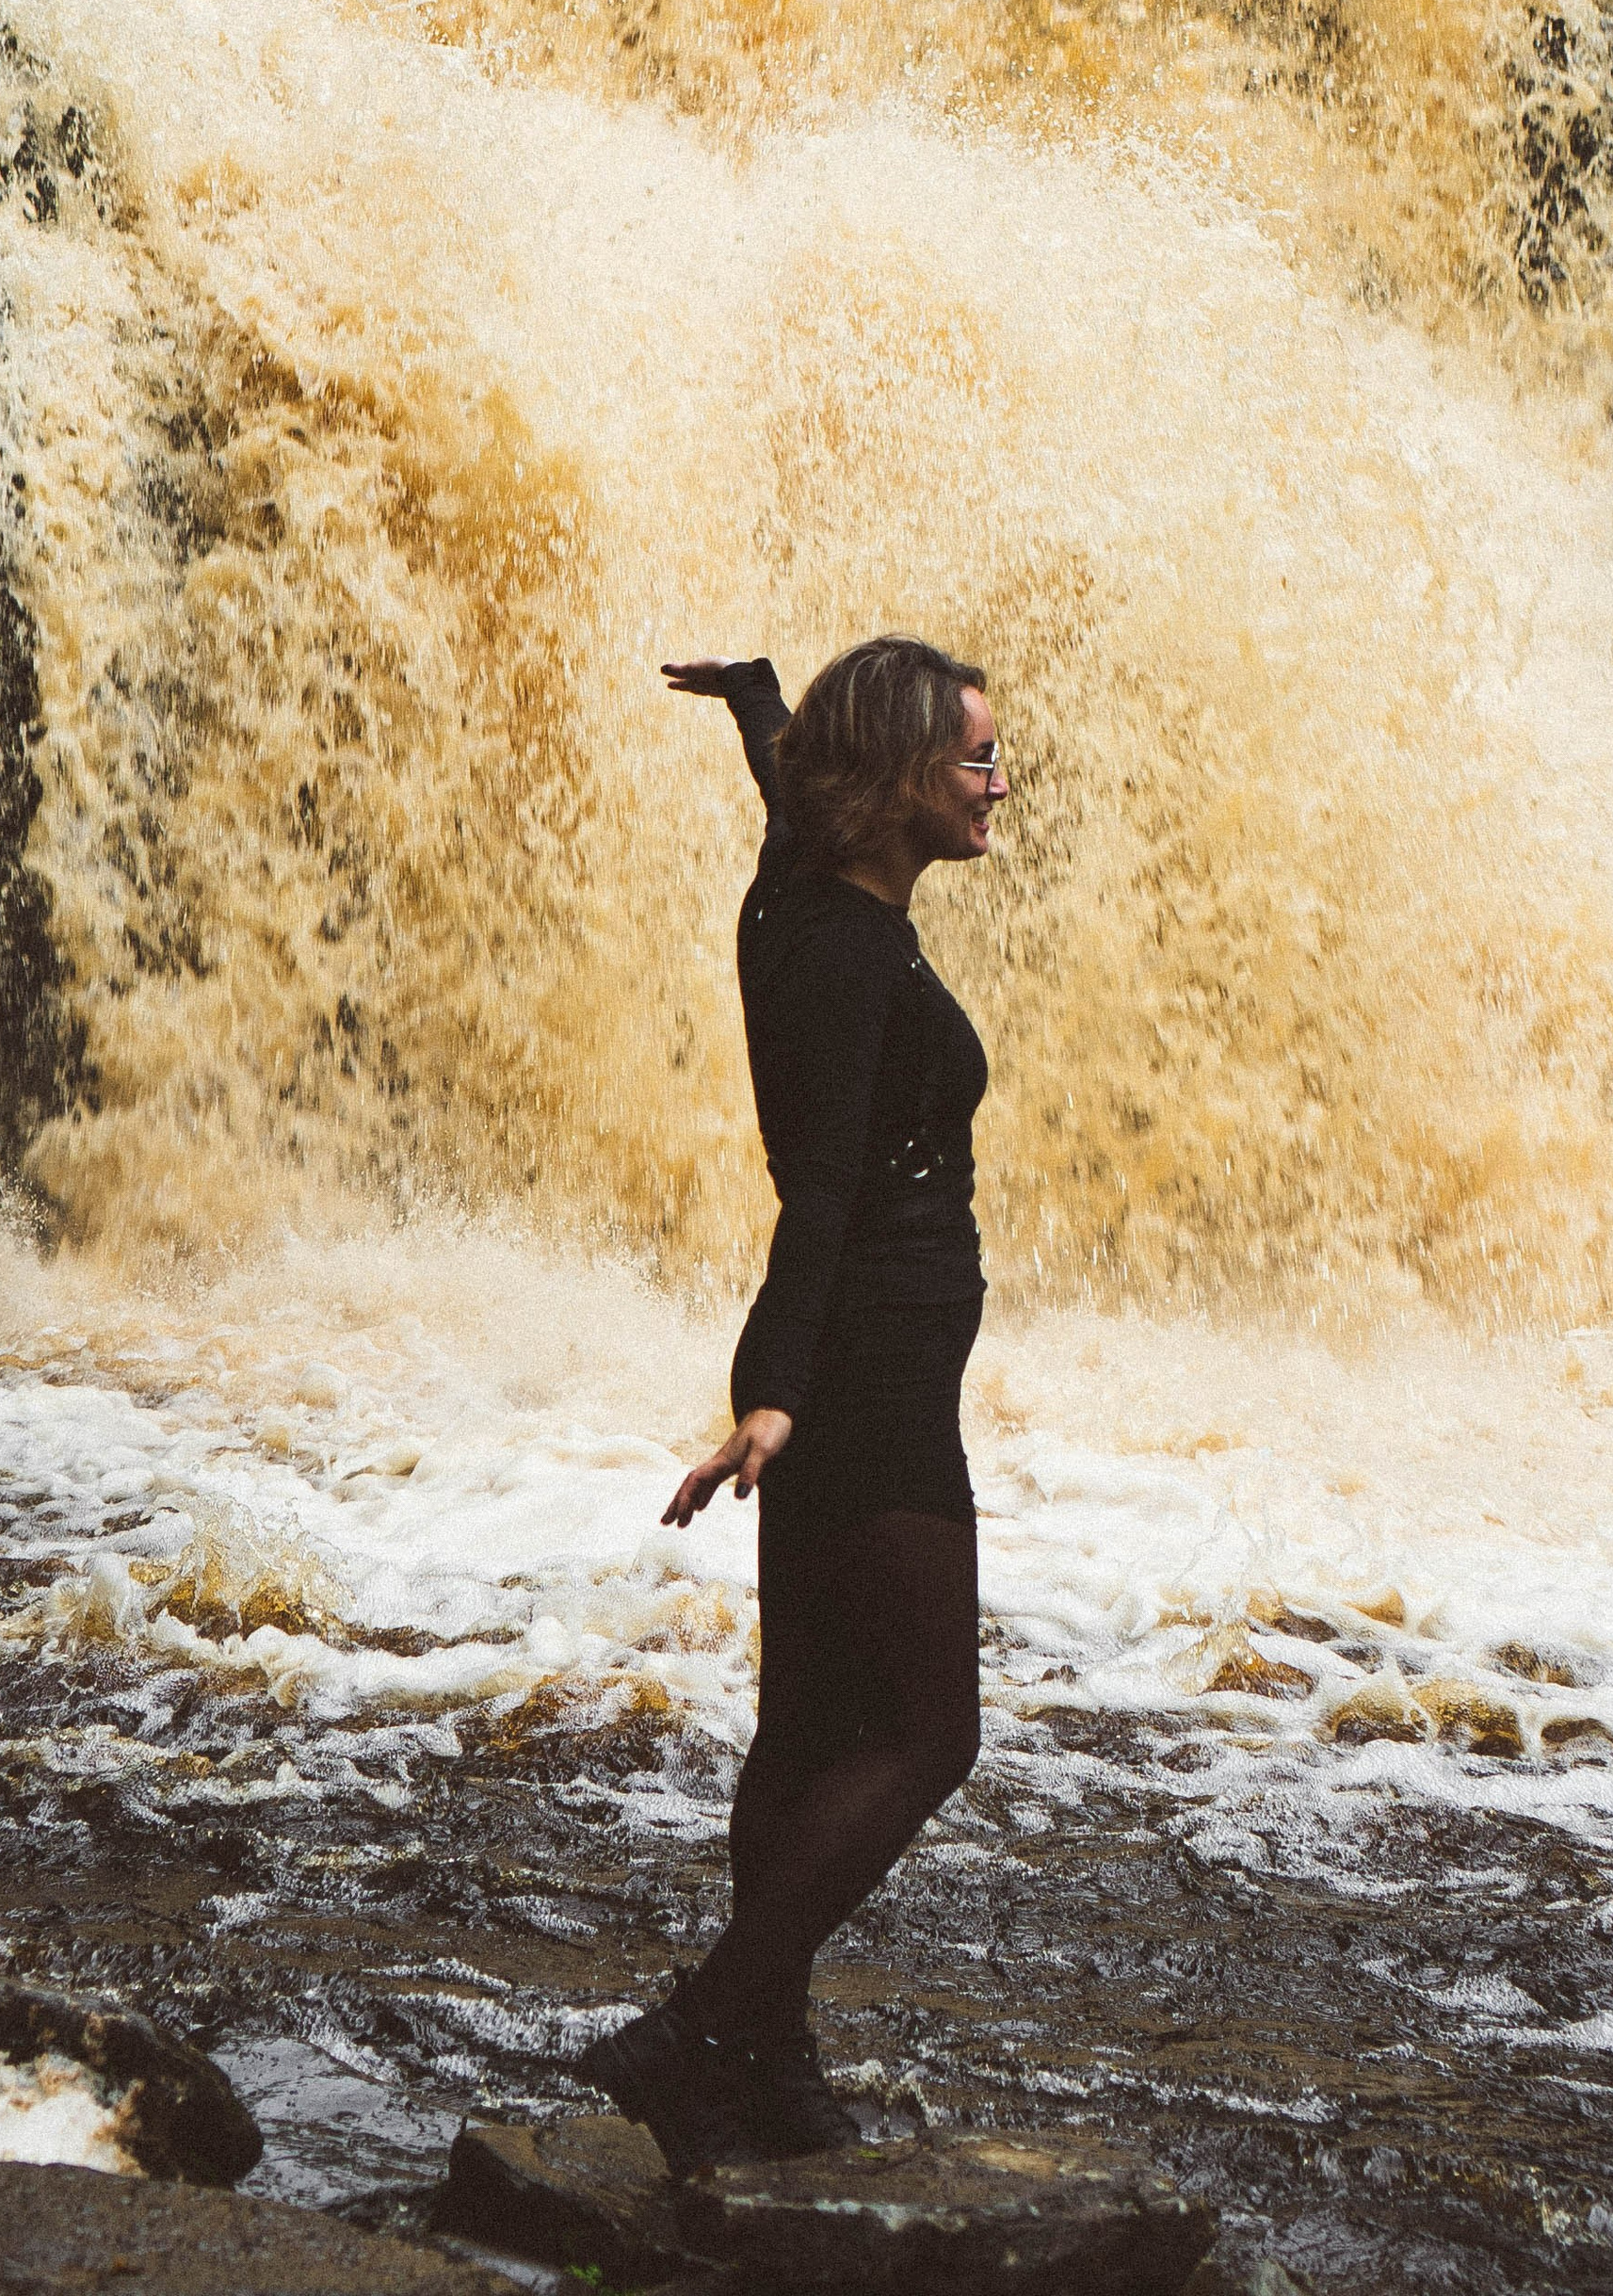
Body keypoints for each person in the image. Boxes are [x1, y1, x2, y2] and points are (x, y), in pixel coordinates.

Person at [573, 635, 1008, 2173]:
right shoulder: (846, 957)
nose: (998, 782)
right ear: (896, 779)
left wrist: (761, 703)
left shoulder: (804, 890)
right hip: (865, 1370)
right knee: (930, 1734)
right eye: (974, 759)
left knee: (811, 1725)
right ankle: (705, 2029)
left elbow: (786, 796)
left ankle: (760, 2058)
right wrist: (772, 1393)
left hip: (858, 1361)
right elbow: (818, 1188)